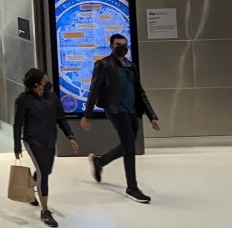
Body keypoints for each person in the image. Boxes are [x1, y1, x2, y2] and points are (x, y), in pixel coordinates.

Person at [81, 33, 160, 204]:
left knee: (128, 144)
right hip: (116, 110)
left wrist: (151, 115)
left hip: (132, 111)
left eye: (124, 44)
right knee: (129, 146)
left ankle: (100, 161)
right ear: (111, 46)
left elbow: (140, 92)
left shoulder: (131, 66)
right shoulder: (103, 65)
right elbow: (94, 90)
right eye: (118, 44)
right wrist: (87, 115)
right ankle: (132, 187)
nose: (122, 47)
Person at [14, 68, 78, 227]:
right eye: (45, 80)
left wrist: (70, 136)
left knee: (46, 171)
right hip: (33, 140)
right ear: (36, 85)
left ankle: (30, 188)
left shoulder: (52, 98)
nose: (48, 82)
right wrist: (17, 146)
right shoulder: (23, 100)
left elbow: (61, 118)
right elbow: (18, 124)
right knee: (43, 172)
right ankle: (45, 211)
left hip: (50, 140)